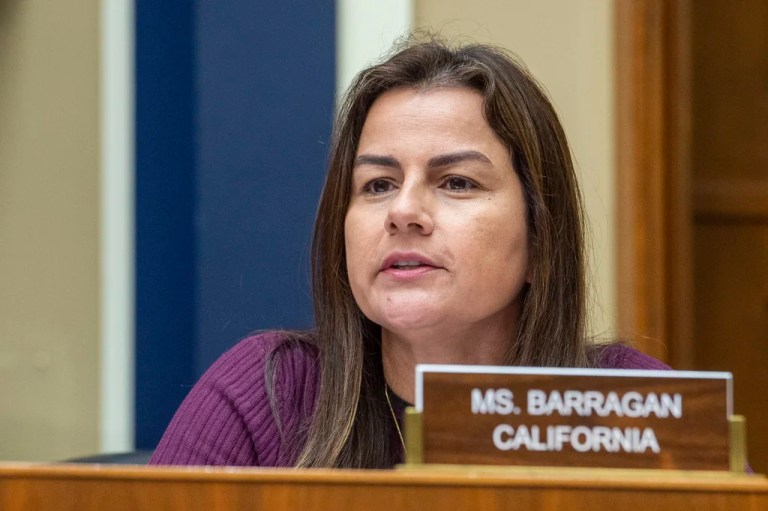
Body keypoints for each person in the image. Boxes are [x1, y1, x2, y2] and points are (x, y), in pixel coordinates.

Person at [149, 37, 669, 469]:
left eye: (457, 182)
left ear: (540, 241)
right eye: (377, 185)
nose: (403, 211)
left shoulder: (632, 407)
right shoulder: (268, 394)